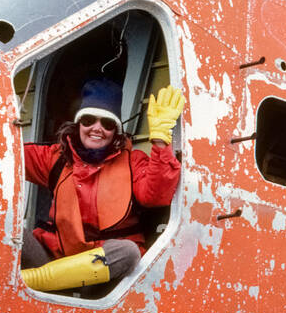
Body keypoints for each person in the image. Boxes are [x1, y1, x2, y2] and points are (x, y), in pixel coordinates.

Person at [21, 78, 185, 291]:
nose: (97, 129)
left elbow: (156, 195)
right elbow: (7, 154)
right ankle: (32, 281)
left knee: (129, 252)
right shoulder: (55, 157)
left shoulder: (132, 161)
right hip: (50, 259)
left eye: (107, 124)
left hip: (97, 277)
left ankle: (30, 282)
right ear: (79, 123)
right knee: (9, 231)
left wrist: (161, 142)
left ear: (115, 131)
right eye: (89, 120)